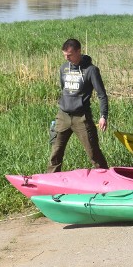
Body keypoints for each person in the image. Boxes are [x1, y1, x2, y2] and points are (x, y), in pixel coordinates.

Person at [47, 38, 109, 173]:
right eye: (64, 55)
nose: (66, 58)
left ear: (78, 51)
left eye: (69, 55)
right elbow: (64, 89)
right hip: (63, 116)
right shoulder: (63, 68)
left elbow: (102, 95)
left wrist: (103, 116)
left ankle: (106, 179)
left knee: (94, 153)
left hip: (81, 117)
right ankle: (51, 181)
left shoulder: (91, 70)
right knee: (55, 153)